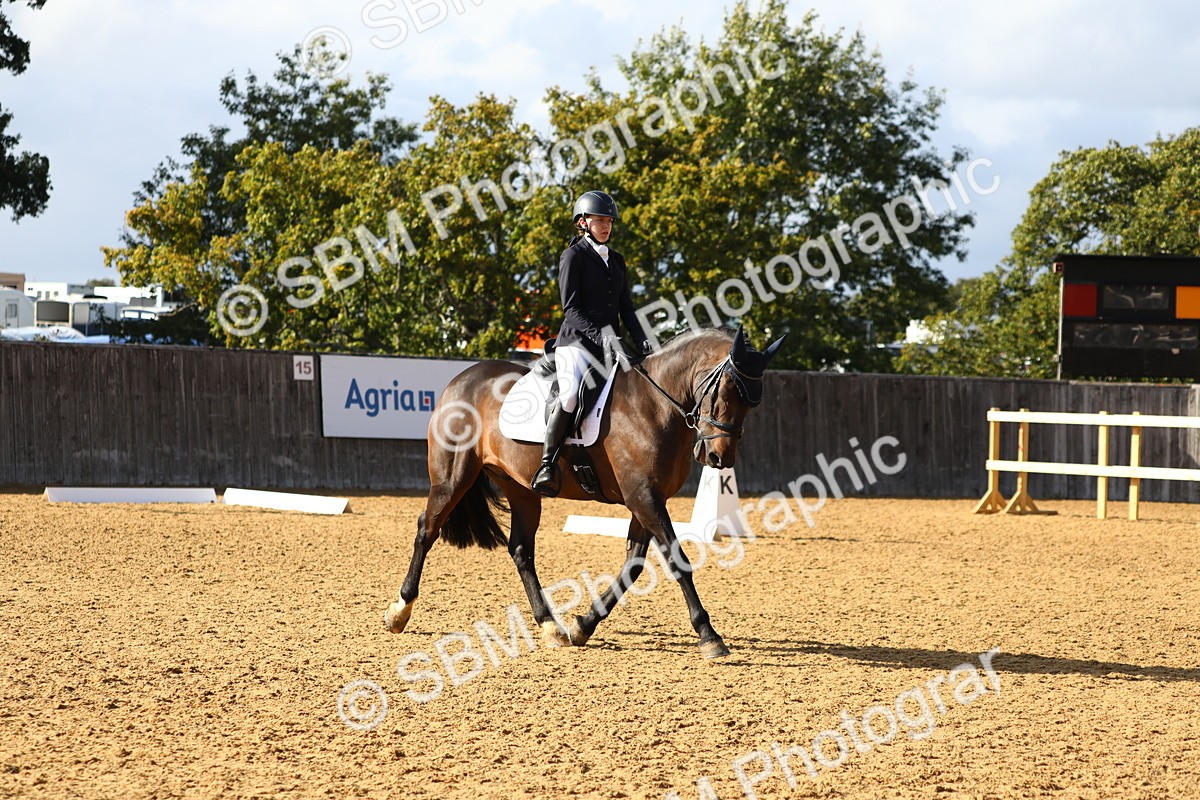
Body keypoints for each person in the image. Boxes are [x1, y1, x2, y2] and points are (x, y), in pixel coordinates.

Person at [531, 190, 652, 497]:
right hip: (577, 343)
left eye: (609, 220)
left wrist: (643, 339)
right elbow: (570, 309)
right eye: (599, 220)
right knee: (570, 396)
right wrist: (603, 338)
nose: (606, 226)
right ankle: (547, 464)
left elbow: (626, 308)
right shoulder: (573, 256)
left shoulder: (617, 261)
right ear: (582, 222)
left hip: (610, 345)